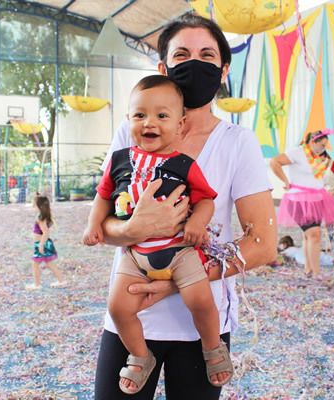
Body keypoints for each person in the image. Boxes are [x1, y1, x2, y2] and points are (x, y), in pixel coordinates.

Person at [93, 14, 277, 400]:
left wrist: (178, 282)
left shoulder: (237, 142)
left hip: (199, 322)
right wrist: (131, 230)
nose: (195, 63)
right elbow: (103, 222)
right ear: (163, 68)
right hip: (131, 311)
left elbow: (262, 243)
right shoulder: (130, 133)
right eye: (182, 54)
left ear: (223, 70)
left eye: (207, 54)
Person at [83, 75, 231, 394]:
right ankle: (139, 355)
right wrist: (94, 224)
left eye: (162, 116)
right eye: (140, 115)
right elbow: (104, 194)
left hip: (179, 252)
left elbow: (206, 199)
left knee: (202, 301)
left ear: (180, 125)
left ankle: (212, 347)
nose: (150, 122)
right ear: (128, 121)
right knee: (118, 306)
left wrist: (197, 224)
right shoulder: (120, 160)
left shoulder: (184, 164)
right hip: (136, 257)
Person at [269, 129, 334, 279]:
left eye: (325, 146)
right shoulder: (297, 152)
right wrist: (285, 181)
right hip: (298, 201)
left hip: (316, 199)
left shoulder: (317, 157)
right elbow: (274, 162)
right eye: (321, 145)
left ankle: (309, 269)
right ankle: (316, 272)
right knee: (315, 234)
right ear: (312, 142)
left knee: (309, 235)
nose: (322, 149)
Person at [25, 195, 68, 290]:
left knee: (35, 264)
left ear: (40, 207)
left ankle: (37, 284)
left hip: (42, 244)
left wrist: (41, 245)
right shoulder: (40, 217)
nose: (33, 208)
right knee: (49, 263)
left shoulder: (41, 218)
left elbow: (46, 232)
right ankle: (61, 280)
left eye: (34, 206)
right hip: (43, 244)